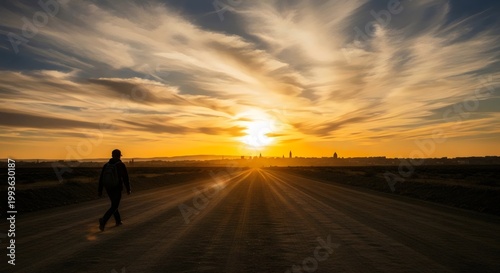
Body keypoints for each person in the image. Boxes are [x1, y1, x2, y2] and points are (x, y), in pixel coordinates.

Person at [98, 149, 131, 231]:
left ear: (112, 155)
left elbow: (101, 178)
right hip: (117, 187)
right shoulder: (121, 165)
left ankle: (118, 221)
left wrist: (100, 190)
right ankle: (103, 220)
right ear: (119, 156)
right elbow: (125, 178)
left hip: (108, 188)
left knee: (114, 204)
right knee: (115, 206)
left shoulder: (106, 165)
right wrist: (128, 189)